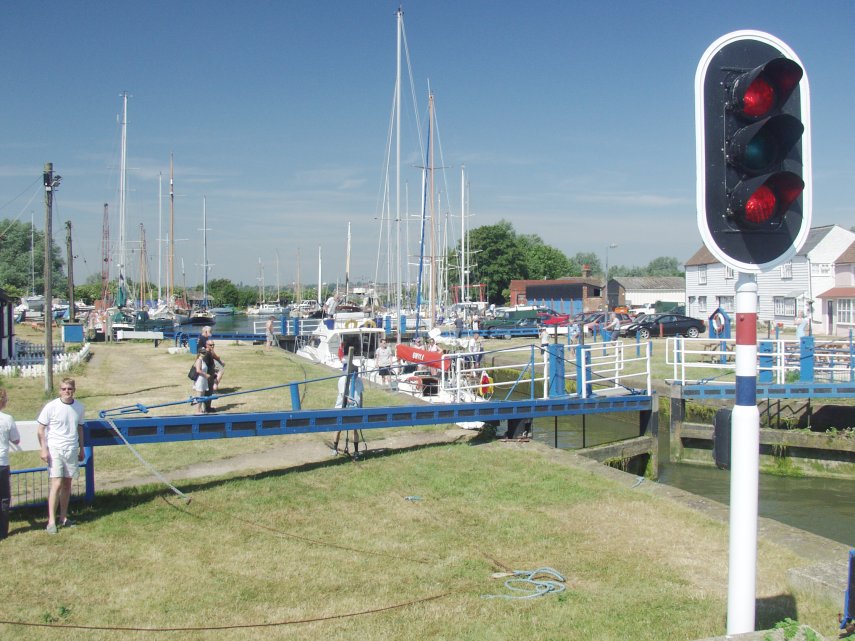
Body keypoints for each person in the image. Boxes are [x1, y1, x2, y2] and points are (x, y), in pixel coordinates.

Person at [37, 377, 85, 534]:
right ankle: (51, 521)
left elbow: (80, 428)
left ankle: (63, 517)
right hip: (56, 449)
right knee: (56, 484)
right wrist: (44, 449)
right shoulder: (51, 407)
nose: (67, 392)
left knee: (67, 484)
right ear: (59, 390)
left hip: (71, 449)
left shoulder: (79, 407)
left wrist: (81, 449)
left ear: (74, 390)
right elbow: (41, 429)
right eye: (64, 389)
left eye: (69, 389)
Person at [0, 389, 20, 540]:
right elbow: (16, 439)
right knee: (4, 498)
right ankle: (2, 532)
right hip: (2, 463)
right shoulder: (7, 419)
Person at [332, 363, 364, 457]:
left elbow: (360, 394)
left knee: (354, 429)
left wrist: (361, 407)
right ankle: (335, 448)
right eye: (354, 372)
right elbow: (344, 395)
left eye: (357, 372)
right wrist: (350, 401)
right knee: (338, 428)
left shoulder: (359, 381)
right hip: (341, 407)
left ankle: (356, 451)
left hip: (355, 408)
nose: (356, 374)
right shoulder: (343, 380)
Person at [192, 346, 209, 415]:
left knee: (202, 395)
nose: (204, 353)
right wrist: (206, 375)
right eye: (202, 352)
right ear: (199, 353)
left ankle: (200, 409)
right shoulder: (199, 360)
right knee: (199, 395)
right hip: (199, 380)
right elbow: (198, 370)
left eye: (204, 352)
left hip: (203, 380)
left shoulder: (202, 360)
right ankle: (197, 411)